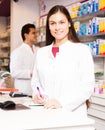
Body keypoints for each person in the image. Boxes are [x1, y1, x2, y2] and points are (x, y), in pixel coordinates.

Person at [31, 5, 95, 113]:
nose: (57, 27)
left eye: (61, 22)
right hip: (46, 111)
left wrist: (61, 102)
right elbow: (35, 82)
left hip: (73, 114)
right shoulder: (41, 53)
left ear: (69, 23)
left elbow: (87, 87)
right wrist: (37, 94)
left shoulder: (82, 50)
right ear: (49, 26)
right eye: (53, 23)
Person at [10, 23, 38, 96]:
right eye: (33, 33)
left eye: (36, 33)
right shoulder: (17, 52)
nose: (36, 35)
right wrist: (31, 73)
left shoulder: (38, 50)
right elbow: (14, 72)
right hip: (23, 90)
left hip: (36, 89)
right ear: (26, 35)